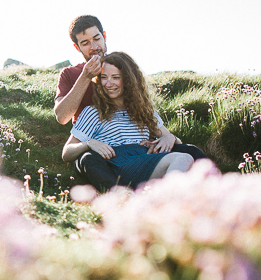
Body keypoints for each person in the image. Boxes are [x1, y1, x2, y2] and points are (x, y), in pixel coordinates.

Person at [54, 15, 207, 191]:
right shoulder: (72, 77)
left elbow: (161, 130)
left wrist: (168, 137)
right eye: (86, 42)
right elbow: (62, 118)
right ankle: (120, 196)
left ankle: (208, 191)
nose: (94, 47)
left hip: (140, 150)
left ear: (104, 36)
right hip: (99, 147)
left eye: (97, 39)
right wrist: (86, 76)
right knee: (88, 159)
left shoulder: (120, 65)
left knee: (189, 152)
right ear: (77, 46)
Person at [62, 52, 194, 189]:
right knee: (88, 158)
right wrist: (89, 143)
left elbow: (174, 140)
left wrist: (170, 137)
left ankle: (197, 194)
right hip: (113, 164)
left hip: (143, 160)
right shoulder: (93, 112)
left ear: (128, 80)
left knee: (187, 154)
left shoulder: (145, 111)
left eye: (115, 77)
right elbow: (67, 153)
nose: (108, 83)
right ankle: (126, 196)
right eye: (104, 77)